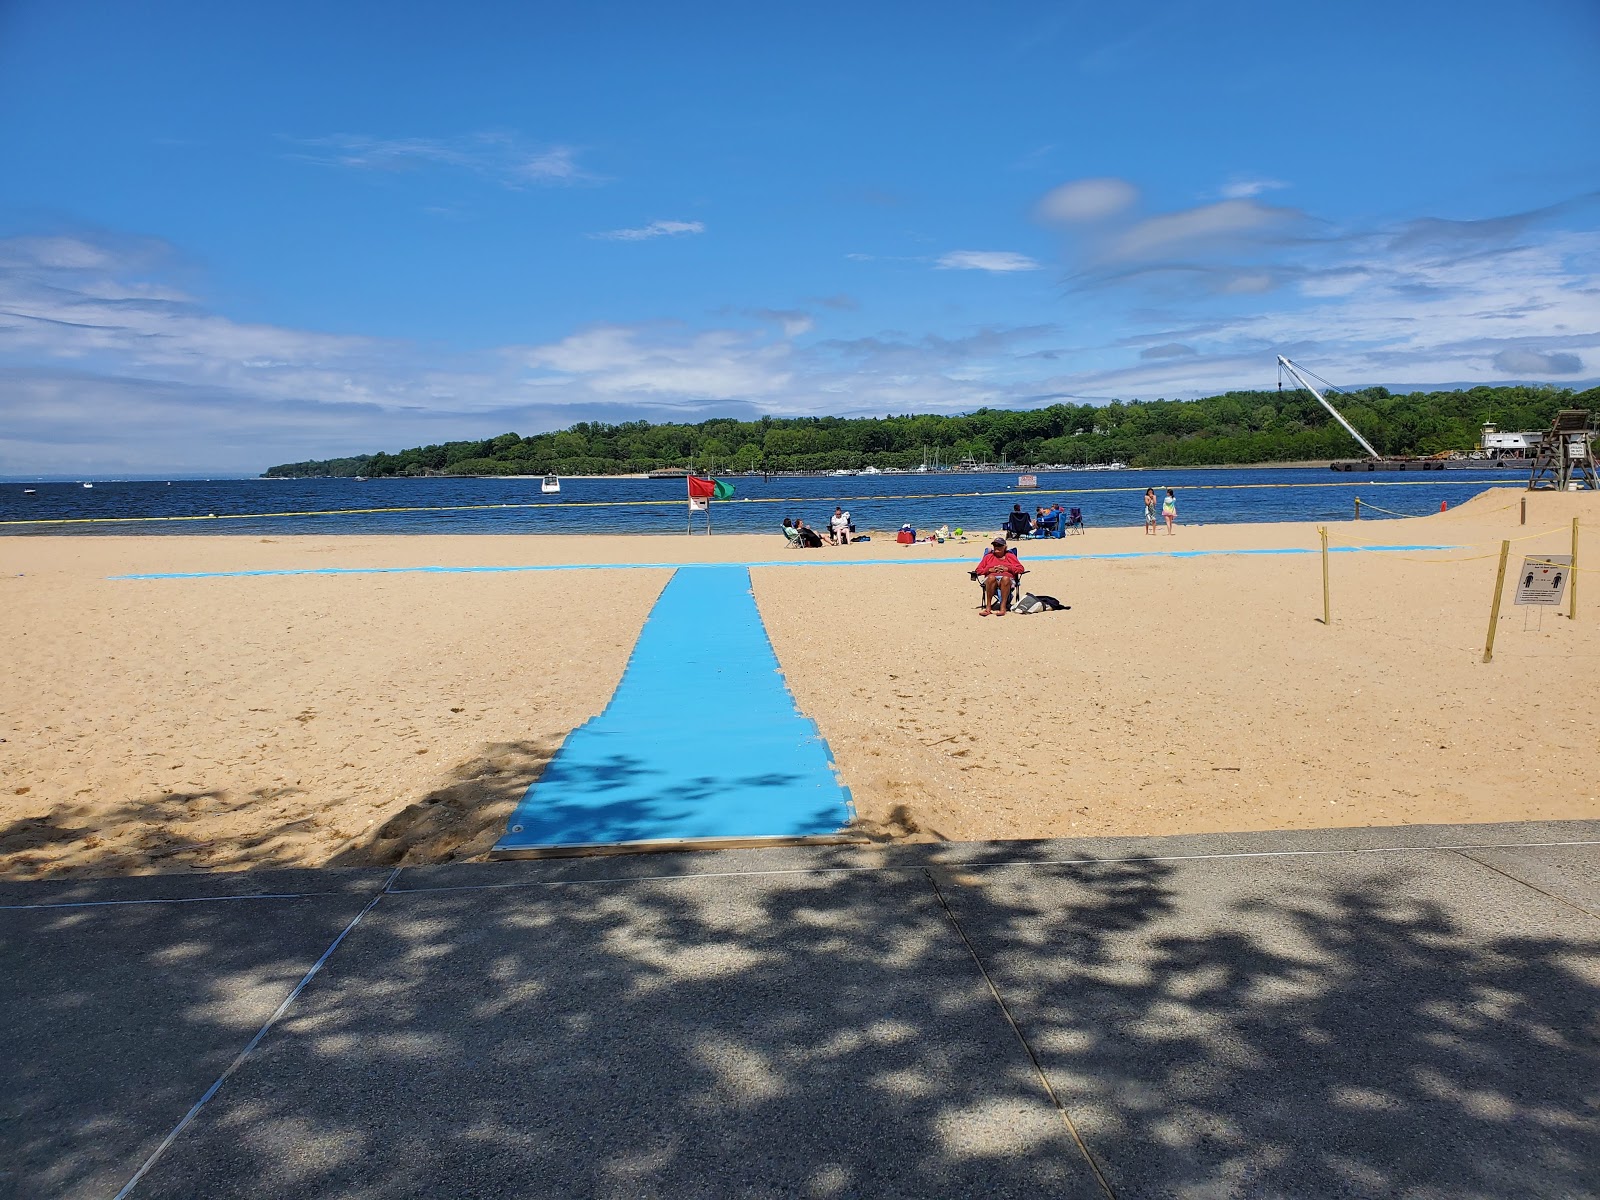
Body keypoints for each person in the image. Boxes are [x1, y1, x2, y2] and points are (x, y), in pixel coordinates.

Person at [972, 536, 1024, 617]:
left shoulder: (1010, 556)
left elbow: (1021, 569)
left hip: (1007, 580)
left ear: (1005, 547)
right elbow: (978, 570)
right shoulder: (988, 557)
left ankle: (1002, 608)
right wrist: (989, 570)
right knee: (991, 577)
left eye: (999, 545)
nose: (996, 547)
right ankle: (988, 607)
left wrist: (1008, 569)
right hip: (990, 580)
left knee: (1005, 578)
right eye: (995, 545)